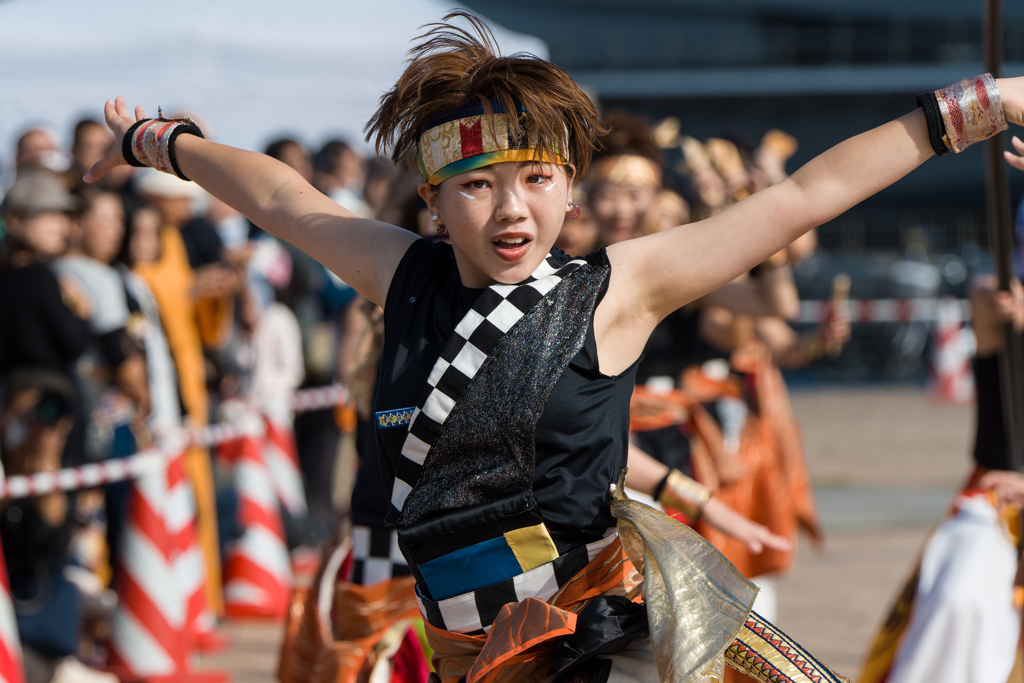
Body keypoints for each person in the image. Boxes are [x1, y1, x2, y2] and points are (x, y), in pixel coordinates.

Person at [84, 11, 1024, 682]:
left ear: (569, 191)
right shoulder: (402, 275)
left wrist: (984, 104)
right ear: (433, 199)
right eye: (479, 184)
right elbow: (282, 198)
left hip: (600, 644)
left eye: (536, 179)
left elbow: (800, 200)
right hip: (457, 654)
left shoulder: (617, 291)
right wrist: (159, 142)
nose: (512, 208)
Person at [860, 274, 1024, 683]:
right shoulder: (1011, 310)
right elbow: (985, 302)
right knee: (959, 599)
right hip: (996, 509)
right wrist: (995, 297)